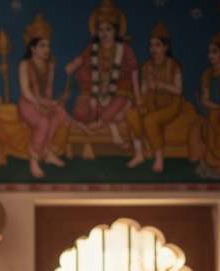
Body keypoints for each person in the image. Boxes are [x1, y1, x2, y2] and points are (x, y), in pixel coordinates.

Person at [65, 1, 137, 148]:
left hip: (118, 92)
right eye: (100, 29)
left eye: (108, 29)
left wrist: (138, 97)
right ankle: (111, 123)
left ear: (115, 31)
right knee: (79, 109)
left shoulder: (124, 48)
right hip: (95, 93)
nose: (104, 33)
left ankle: (101, 123)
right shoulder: (92, 47)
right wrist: (73, 65)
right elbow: (76, 63)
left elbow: (134, 70)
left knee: (120, 101)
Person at [125, 22, 190, 173]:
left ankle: (159, 158)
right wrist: (141, 100)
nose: (153, 49)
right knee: (132, 114)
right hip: (151, 101)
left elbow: (178, 90)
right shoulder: (147, 66)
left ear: (165, 47)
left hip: (171, 104)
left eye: (157, 45)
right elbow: (143, 89)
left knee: (150, 120)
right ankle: (139, 154)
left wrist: (162, 85)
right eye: (151, 45)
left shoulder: (174, 64)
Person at [16, 14, 69, 179]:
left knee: (59, 112)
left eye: (48, 45)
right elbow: (26, 92)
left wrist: (52, 103)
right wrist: (39, 104)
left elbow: (48, 91)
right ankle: (34, 160)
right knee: (43, 122)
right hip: (28, 103)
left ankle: (47, 152)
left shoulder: (48, 65)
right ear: (32, 48)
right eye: (42, 45)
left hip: (42, 101)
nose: (47, 49)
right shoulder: (25, 65)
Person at [198, 33, 220, 177]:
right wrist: (216, 108)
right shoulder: (207, 74)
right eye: (209, 52)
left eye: (214, 52)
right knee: (212, 117)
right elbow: (205, 99)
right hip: (214, 110)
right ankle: (214, 161)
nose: (210, 55)